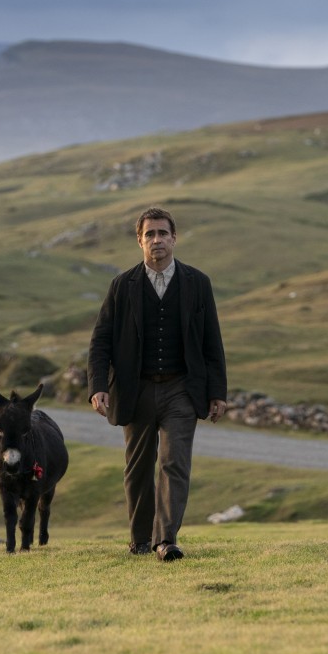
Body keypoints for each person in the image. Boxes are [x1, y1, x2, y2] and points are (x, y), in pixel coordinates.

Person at [87, 206, 227, 561]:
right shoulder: (122, 286)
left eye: (163, 233)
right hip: (136, 389)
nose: (157, 240)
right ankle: (139, 539)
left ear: (174, 238)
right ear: (139, 241)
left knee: (174, 462)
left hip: (182, 388)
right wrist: (98, 386)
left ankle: (166, 539)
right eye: (149, 234)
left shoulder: (198, 283)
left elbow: (213, 342)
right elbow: (100, 340)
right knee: (137, 467)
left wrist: (217, 393)